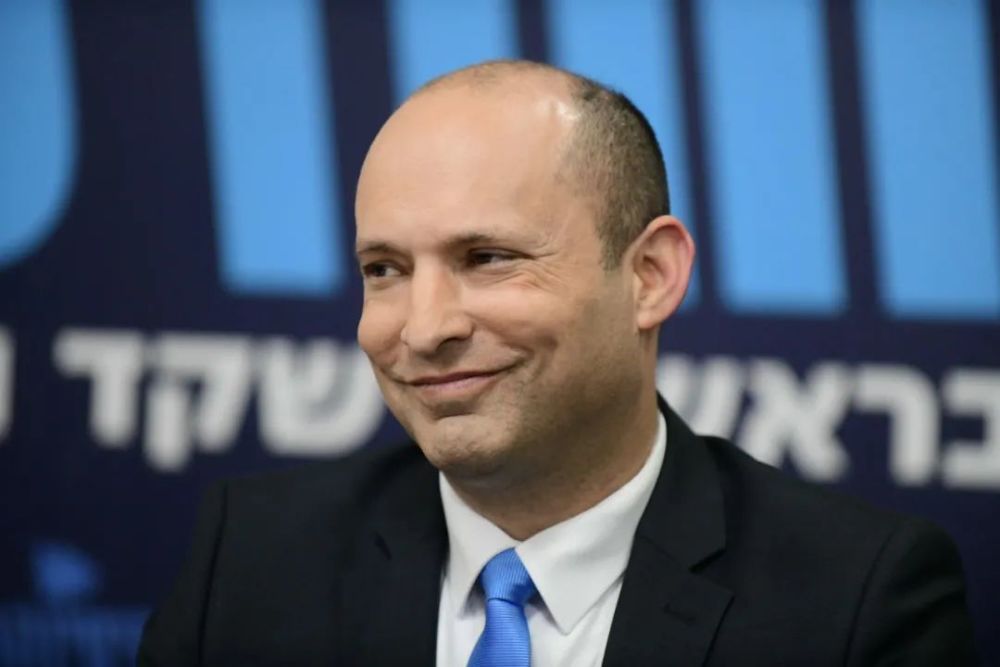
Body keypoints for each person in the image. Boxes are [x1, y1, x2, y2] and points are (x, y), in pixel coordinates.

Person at [138, 60, 976, 666]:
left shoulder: (857, 601)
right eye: (384, 269)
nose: (423, 328)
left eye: (487, 258)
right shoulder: (249, 560)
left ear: (650, 276)